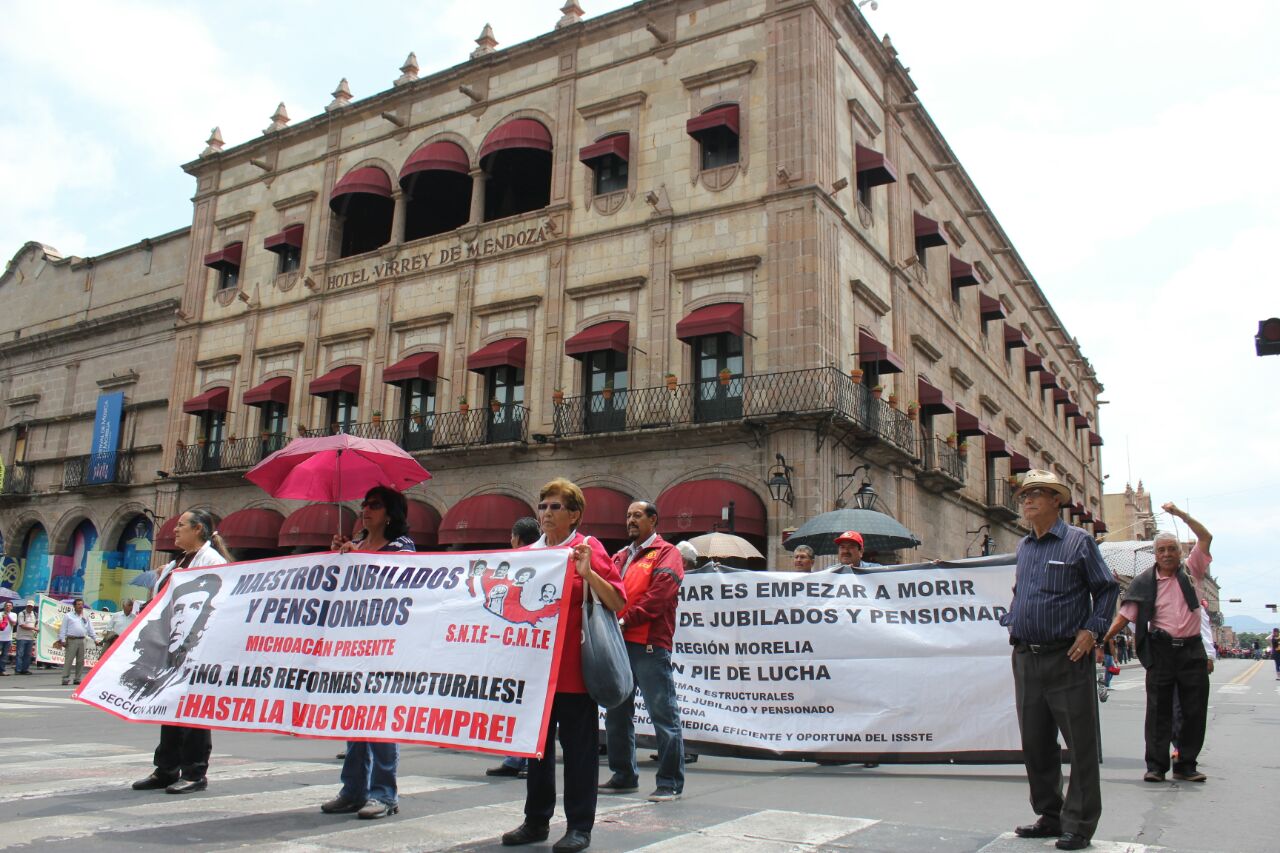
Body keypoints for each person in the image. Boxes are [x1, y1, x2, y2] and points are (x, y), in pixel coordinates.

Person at [502, 478, 625, 853]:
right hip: (535, 671)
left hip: (574, 671)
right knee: (535, 750)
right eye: (543, 506)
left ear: (574, 514)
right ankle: (536, 820)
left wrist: (589, 574)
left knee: (578, 752)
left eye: (556, 507)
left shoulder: (587, 548)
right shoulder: (529, 554)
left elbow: (618, 601)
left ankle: (579, 826)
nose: (547, 513)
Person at [1002, 470, 1117, 852]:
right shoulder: (1025, 547)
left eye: (1037, 493)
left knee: (1079, 744)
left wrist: (1093, 629)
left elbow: (1106, 589)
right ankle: (1050, 814)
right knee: (1035, 742)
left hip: (1067, 656)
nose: (1028, 500)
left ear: (1057, 501)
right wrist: (1013, 620)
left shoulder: (1078, 542)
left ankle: (1080, 824)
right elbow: (1024, 592)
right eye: (1024, 495)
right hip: (1026, 657)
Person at [321, 486, 416, 820]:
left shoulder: (403, 547)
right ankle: (353, 790)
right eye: (363, 504)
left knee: (379, 718)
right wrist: (339, 558)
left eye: (374, 505)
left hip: (386, 644)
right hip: (353, 642)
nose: (366, 509)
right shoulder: (356, 545)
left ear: (390, 513)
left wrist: (358, 558)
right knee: (353, 718)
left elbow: (399, 583)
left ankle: (384, 793)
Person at [1104, 502, 1213, 784]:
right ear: (1155, 554)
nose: (1166, 554)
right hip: (1161, 650)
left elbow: (1205, 537)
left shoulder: (1192, 571)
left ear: (1180, 553)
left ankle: (1186, 764)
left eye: (1171, 549)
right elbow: (1124, 616)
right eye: (1161, 550)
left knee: (1193, 710)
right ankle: (1156, 766)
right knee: (1158, 711)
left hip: (1191, 650)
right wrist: (1100, 639)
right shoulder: (1143, 583)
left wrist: (1180, 515)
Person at [131, 509, 230, 795]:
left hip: (198, 647)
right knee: (170, 706)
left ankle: (195, 772)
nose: (175, 530)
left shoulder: (212, 561)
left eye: (181, 525)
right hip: (171, 646)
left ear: (198, 529)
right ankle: (166, 769)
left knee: (193, 711)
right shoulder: (178, 562)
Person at [601, 501, 686, 803]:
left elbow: (659, 596)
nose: (630, 521)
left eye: (637, 515)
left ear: (654, 520)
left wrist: (624, 619)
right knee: (617, 713)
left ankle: (670, 782)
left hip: (649, 645)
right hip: (620, 642)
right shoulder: (621, 556)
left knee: (662, 713)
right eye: (627, 516)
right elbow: (605, 587)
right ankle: (623, 775)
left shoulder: (668, 553)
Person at [488, 516, 546, 780]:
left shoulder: (525, 565)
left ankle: (523, 759)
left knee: (527, 703)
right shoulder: (536, 563)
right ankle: (514, 757)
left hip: (528, 644)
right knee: (515, 703)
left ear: (517, 538)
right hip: (517, 642)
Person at [54, 598, 96, 685]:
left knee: (80, 661)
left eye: (81, 604)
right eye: (78, 604)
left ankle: (77, 678)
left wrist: (95, 639)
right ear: (74, 606)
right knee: (69, 660)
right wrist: (62, 639)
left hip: (82, 640)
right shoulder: (68, 616)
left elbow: (90, 629)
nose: (80, 606)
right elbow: (63, 628)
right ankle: (65, 678)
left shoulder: (85, 616)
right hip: (72, 640)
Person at [13, 601, 37, 675]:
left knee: (28, 654)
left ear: (33, 607)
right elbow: (22, 625)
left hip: (30, 637)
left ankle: (25, 669)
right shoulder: (21, 613)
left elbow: (36, 624)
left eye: (31, 606)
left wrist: (36, 628)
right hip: (21, 637)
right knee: (20, 654)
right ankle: (18, 670)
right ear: (26, 606)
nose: (29, 607)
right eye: (28, 606)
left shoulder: (35, 614)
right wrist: (34, 628)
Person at [0, 601, 13, 675]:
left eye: (9, 605)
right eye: (6, 605)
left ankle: (2, 670)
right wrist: (4, 619)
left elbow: (13, 623)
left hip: (8, 638)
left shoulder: (13, 614)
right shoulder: (0, 614)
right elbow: (2, 627)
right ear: (4, 607)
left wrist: (6, 617)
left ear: (11, 607)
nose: (8, 606)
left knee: (4, 656)